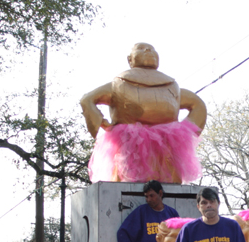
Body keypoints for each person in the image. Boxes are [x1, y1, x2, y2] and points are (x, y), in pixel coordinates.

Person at [81, 43, 207, 184]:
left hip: (167, 148)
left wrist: (184, 133)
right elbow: (87, 100)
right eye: (141, 48)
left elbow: (198, 105)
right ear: (130, 59)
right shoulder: (118, 84)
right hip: (129, 145)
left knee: (170, 183)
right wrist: (103, 123)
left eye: (152, 49)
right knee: (126, 181)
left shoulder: (172, 87)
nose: (148, 50)